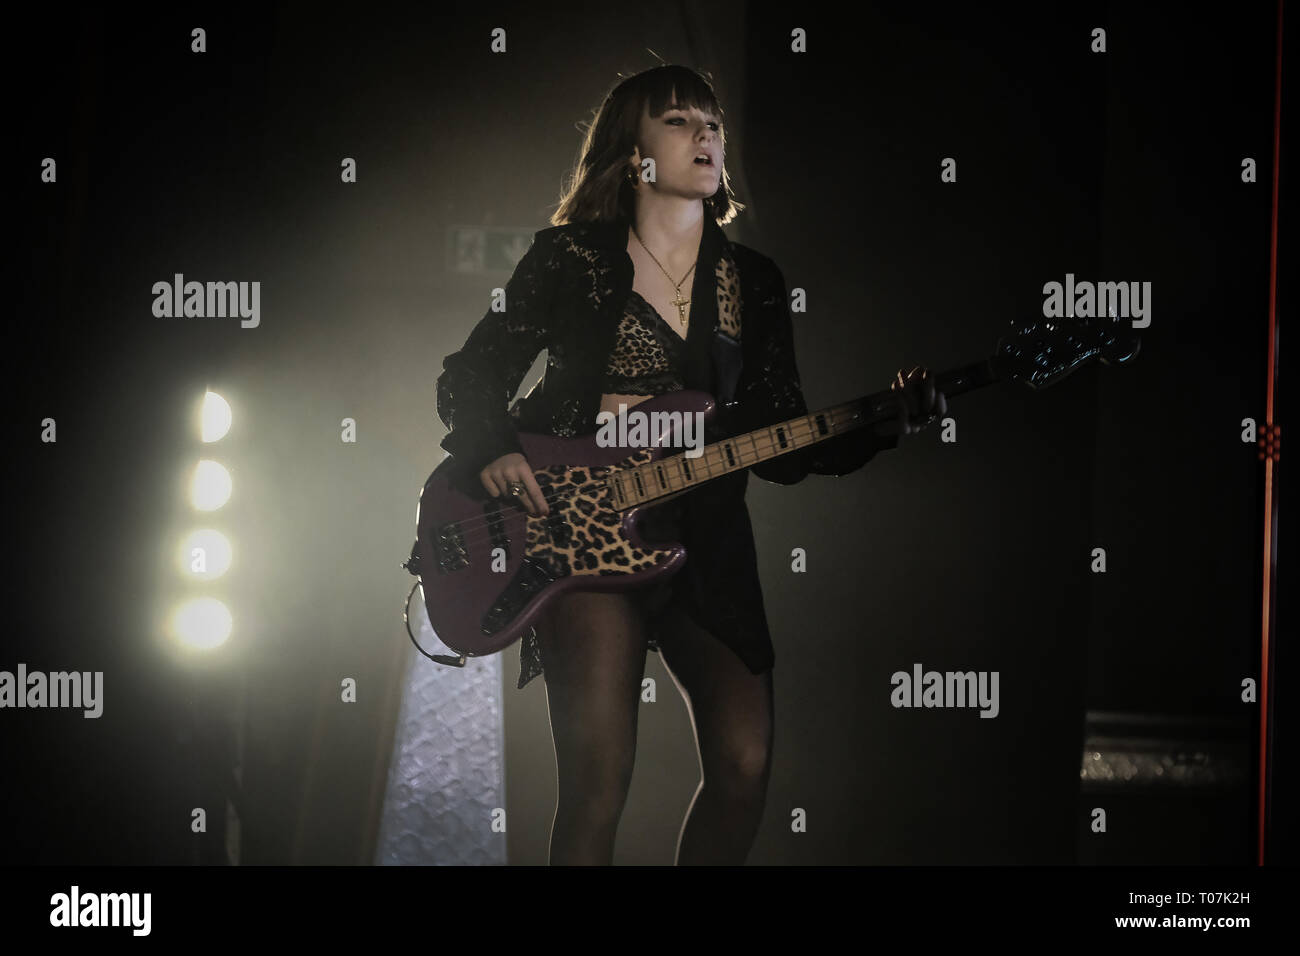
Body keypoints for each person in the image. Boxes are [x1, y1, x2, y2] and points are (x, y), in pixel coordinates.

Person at [435, 65, 947, 865]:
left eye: (711, 122)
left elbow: (779, 438)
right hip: (578, 530)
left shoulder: (755, 280)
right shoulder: (572, 260)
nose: (706, 135)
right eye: (679, 121)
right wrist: (494, 449)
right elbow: (472, 371)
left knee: (745, 767)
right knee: (598, 788)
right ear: (634, 154)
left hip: (703, 531)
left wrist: (880, 425)